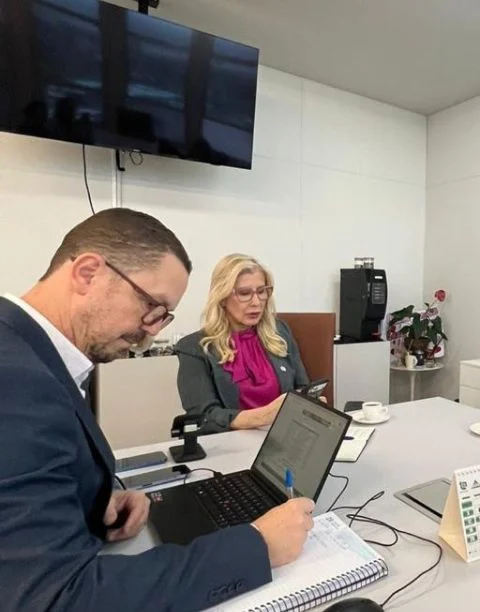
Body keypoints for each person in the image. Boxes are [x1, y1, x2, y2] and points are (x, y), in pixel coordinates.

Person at [0, 209, 315, 610]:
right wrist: (257, 547)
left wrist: (94, 495)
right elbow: (58, 599)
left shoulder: (28, 352)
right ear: (87, 273)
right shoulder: (15, 381)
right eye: (151, 307)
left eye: (163, 317)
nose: (152, 332)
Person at [176, 253, 310, 434]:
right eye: (244, 293)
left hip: (286, 436)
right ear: (222, 298)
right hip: (231, 445)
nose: (256, 302)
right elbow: (204, 416)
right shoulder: (194, 348)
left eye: (262, 291)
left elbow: (302, 387)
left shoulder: (279, 331)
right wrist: (264, 416)